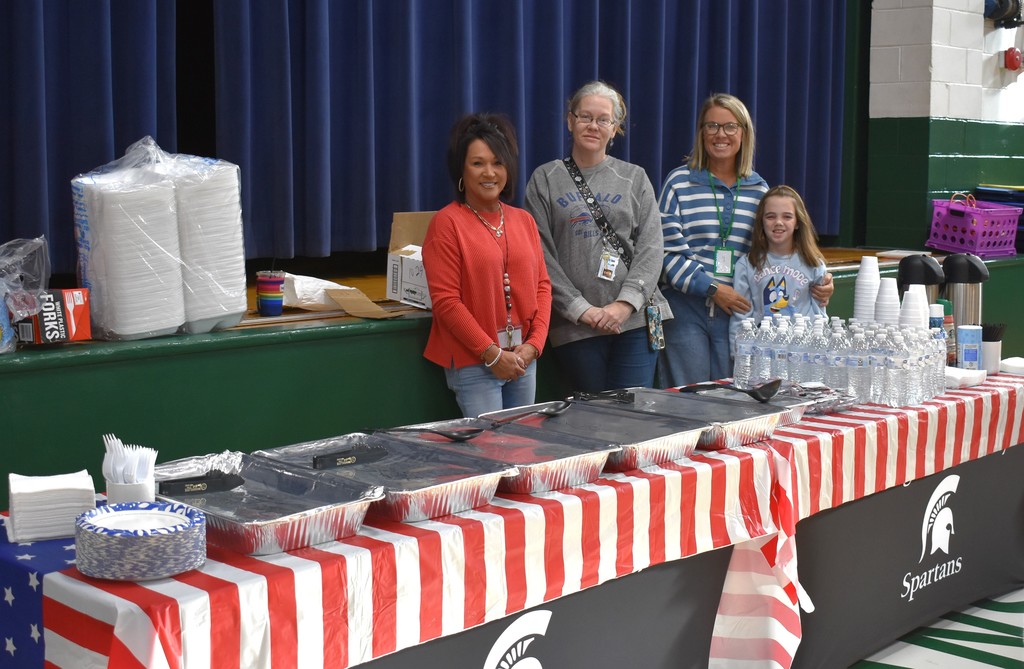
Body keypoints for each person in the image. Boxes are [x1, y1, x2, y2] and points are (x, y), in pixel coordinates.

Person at [658, 93, 832, 387]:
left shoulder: (759, 189)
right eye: (711, 126)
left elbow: (776, 253)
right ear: (701, 132)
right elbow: (666, 254)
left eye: (730, 126)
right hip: (685, 308)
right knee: (689, 399)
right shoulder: (678, 182)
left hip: (741, 312)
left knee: (734, 396)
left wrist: (819, 279)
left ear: (744, 133)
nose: (720, 134)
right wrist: (713, 289)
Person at [524, 81, 671, 393]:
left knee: (632, 418)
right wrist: (581, 309)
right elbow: (539, 255)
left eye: (603, 119)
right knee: (591, 420)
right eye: (585, 117)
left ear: (615, 127)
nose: (593, 125)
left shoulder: (635, 178)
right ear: (570, 120)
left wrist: (624, 305)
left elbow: (651, 249)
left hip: (634, 321)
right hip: (576, 326)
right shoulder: (544, 179)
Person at [422, 113, 552, 417]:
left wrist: (534, 346)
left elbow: (543, 287)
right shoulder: (447, 223)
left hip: (523, 359)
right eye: (478, 163)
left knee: (522, 448)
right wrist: (492, 355)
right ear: (461, 170)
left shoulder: (524, 221)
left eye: (498, 162)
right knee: (491, 453)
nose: (489, 172)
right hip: (473, 362)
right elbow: (446, 302)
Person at [729, 185, 828, 349]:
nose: (779, 222)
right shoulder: (747, 265)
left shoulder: (814, 263)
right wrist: (738, 354)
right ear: (761, 221)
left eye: (787, 216)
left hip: (802, 354)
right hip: (762, 355)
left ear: (797, 222)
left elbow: (820, 316)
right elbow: (741, 317)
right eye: (770, 216)